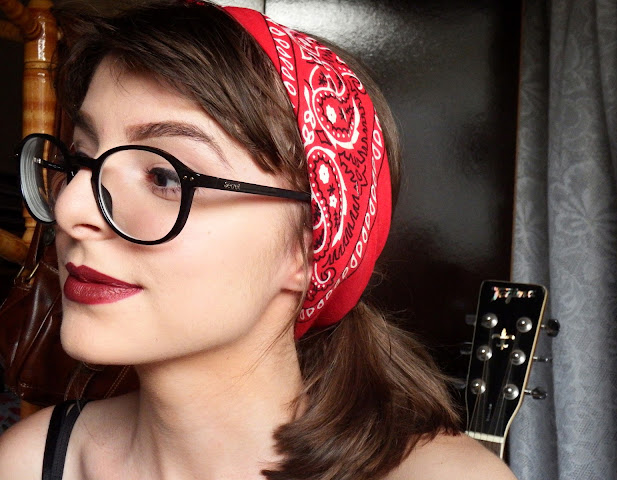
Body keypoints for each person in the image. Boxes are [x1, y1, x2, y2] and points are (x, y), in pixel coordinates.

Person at [0, 1, 517, 479]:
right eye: (80, 160)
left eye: (164, 177)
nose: (70, 209)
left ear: (309, 246)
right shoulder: (28, 462)